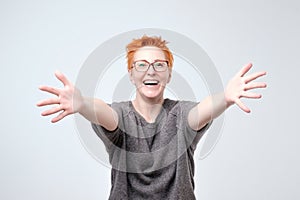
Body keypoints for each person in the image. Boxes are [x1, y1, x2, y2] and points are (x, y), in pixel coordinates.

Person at [37, 35, 267, 199]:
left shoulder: (180, 115)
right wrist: (83, 103)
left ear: (168, 75)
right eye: (141, 65)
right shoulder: (121, 115)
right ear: (131, 75)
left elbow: (201, 111)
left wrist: (225, 98)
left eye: (159, 65)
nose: (151, 71)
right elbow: (105, 114)